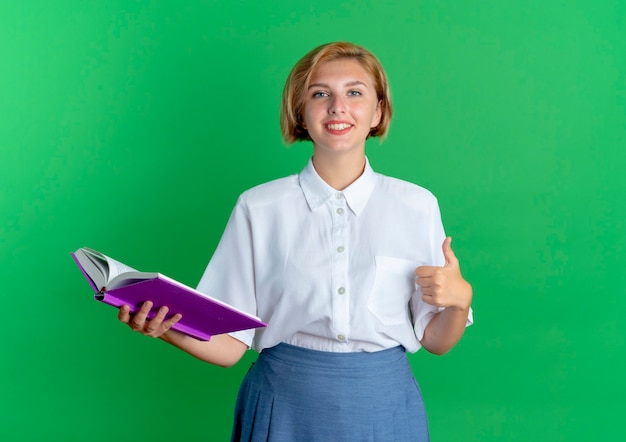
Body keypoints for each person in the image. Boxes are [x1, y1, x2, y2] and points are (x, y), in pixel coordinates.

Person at [118, 41, 473, 441]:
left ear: (378, 111)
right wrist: (161, 327)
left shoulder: (416, 205)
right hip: (282, 403)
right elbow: (230, 347)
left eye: (354, 92)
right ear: (300, 113)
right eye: (320, 94)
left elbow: (437, 341)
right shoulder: (258, 206)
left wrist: (459, 302)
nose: (337, 106)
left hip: (385, 407)